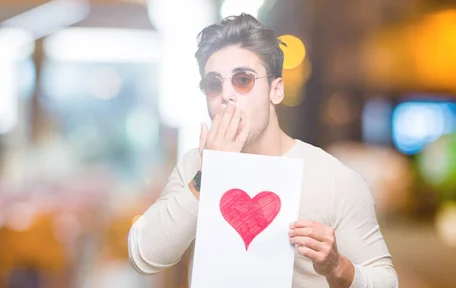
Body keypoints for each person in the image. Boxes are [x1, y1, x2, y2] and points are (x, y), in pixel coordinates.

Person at [127, 13, 398, 287]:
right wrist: (208, 175)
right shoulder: (195, 165)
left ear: (276, 90)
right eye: (213, 84)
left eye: (243, 80)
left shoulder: (334, 180)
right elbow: (144, 256)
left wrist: (339, 268)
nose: (226, 95)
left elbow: (386, 281)